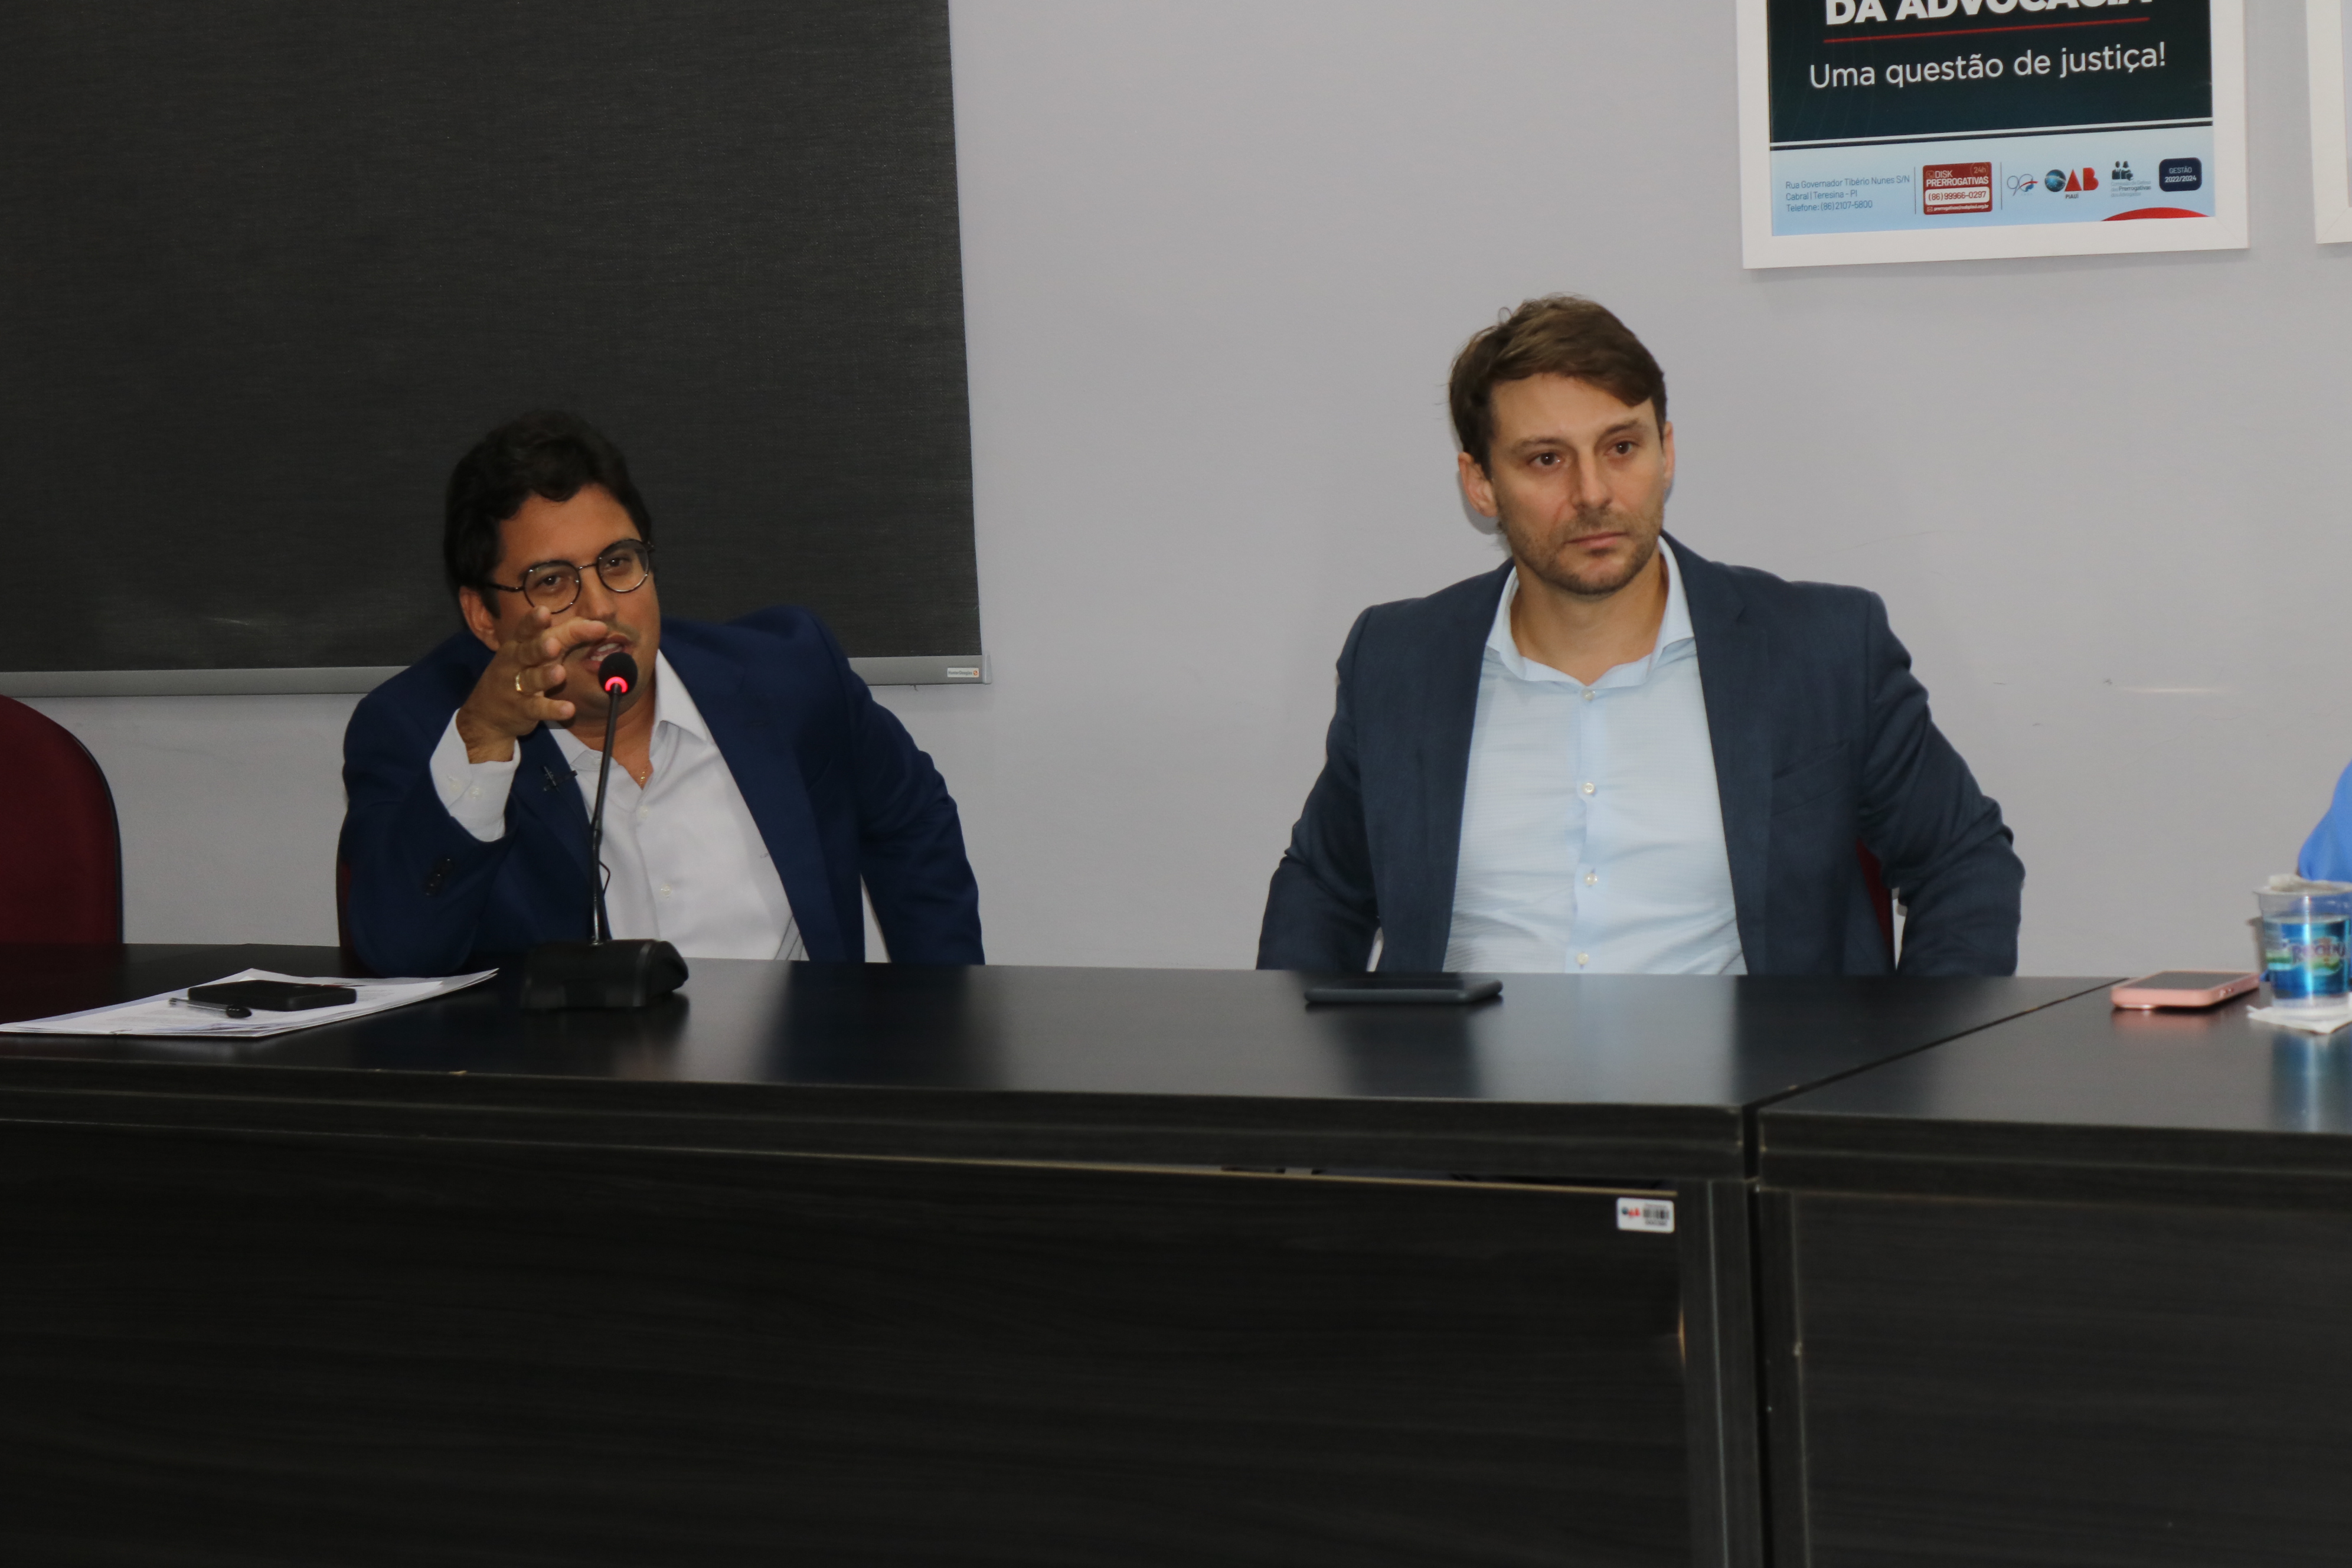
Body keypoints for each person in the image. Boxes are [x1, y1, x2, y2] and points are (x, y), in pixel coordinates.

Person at [1257, 296, 2021, 976]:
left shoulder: (1820, 652)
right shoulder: (1398, 662)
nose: (1593, 494)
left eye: (1621, 448)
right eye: (1547, 460)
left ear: (1667, 452)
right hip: (1464, 1087)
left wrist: (1904, 1071)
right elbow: (1324, 889)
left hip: (1743, 1088)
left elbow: (1963, 860)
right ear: (1481, 483)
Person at [341, 411, 982, 975]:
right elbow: (398, 954)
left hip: (795, 1068)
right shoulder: (417, 730)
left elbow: (913, 822)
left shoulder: (788, 675)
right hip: (574, 1077)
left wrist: (939, 1024)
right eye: (552, 581)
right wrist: (483, 741)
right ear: (484, 616)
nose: (600, 608)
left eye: (617, 562)